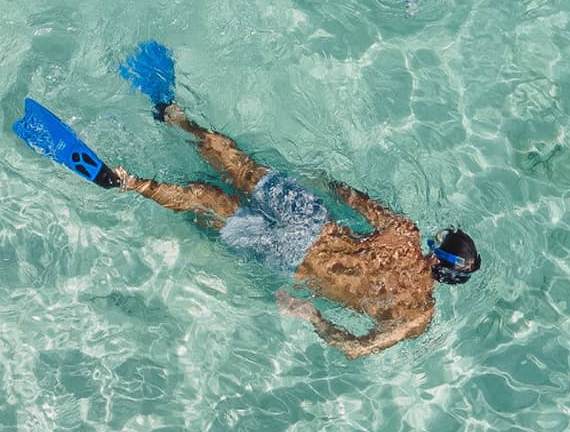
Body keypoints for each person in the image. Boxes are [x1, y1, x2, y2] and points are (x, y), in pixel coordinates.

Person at [113, 104, 479, 358]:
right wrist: (311, 315)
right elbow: (355, 348)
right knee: (203, 198)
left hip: (312, 219)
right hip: (293, 259)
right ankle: (131, 184)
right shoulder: (416, 315)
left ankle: (178, 120)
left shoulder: (404, 232)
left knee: (240, 165)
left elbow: (347, 194)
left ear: (437, 250)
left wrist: (313, 176)